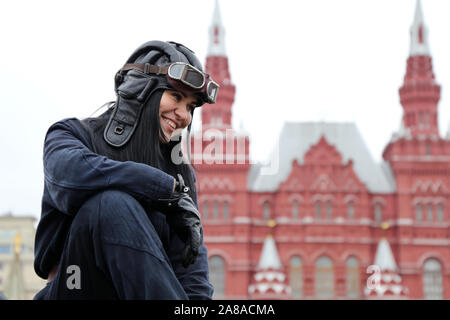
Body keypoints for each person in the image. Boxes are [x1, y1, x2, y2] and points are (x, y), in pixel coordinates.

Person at [33, 40, 219, 300]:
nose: (184, 116)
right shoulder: (71, 135)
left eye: (190, 107)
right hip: (73, 288)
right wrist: (162, 189)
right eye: (176, 96)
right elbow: (70, 178)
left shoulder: (180, 176)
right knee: (110, 204)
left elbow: (193, 275)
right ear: (139, 89)